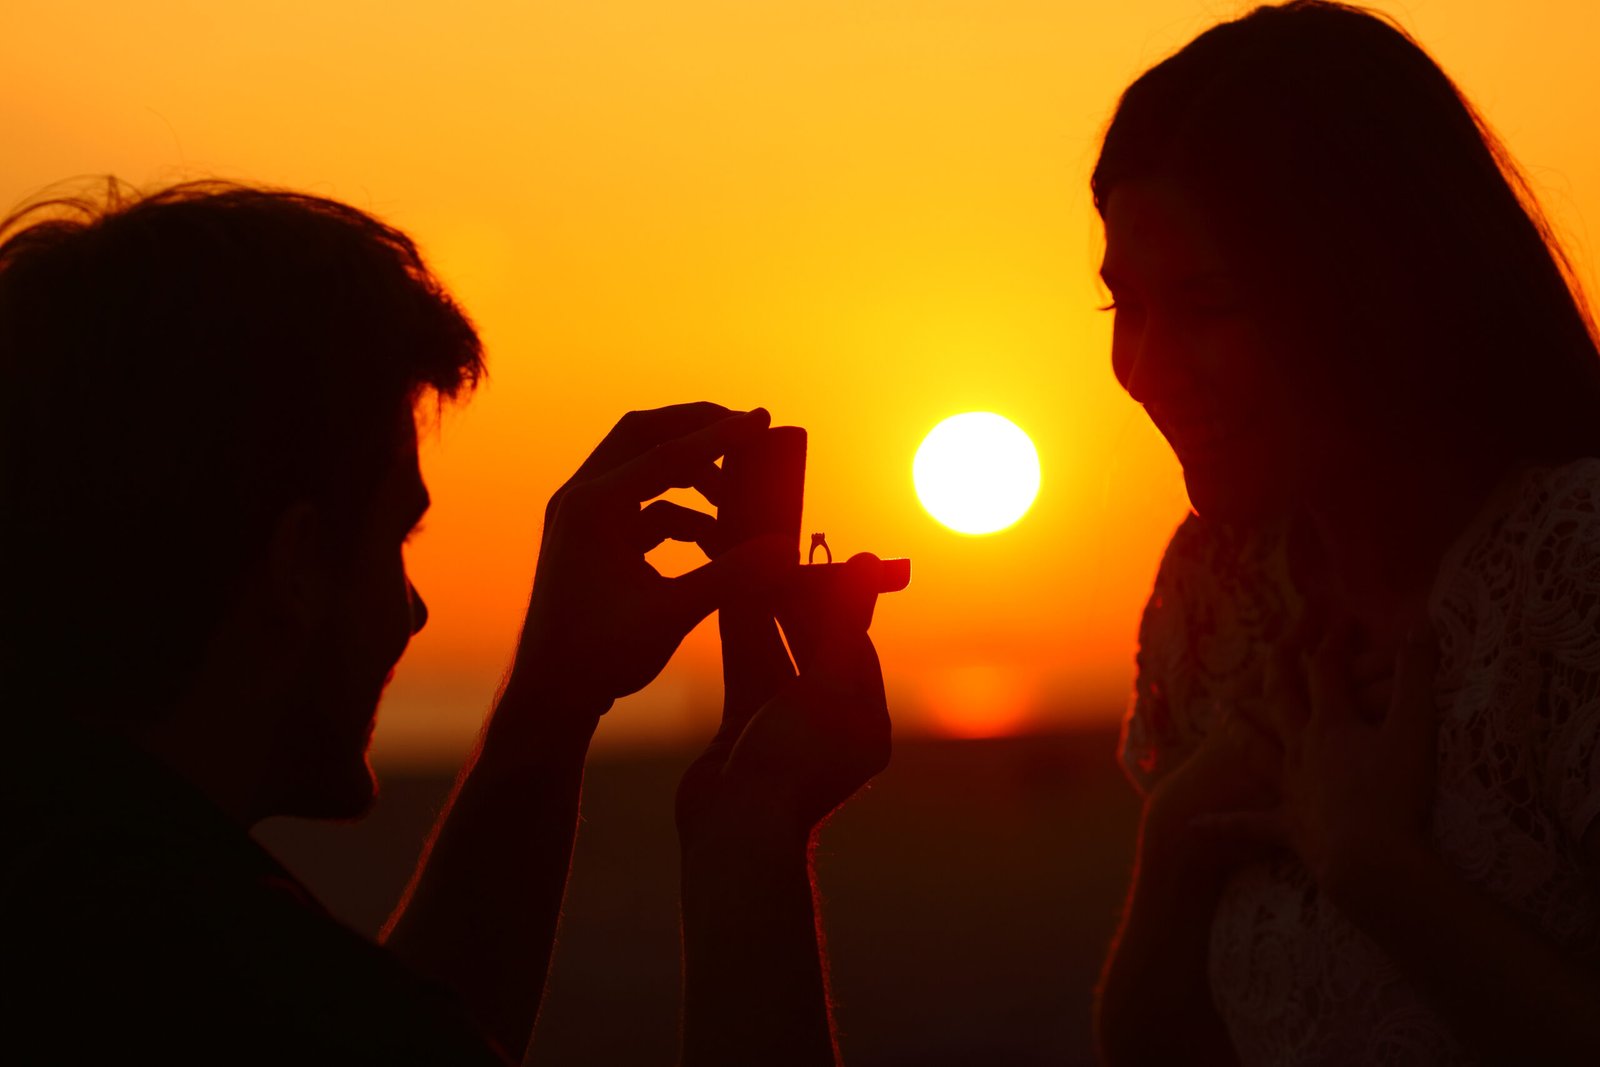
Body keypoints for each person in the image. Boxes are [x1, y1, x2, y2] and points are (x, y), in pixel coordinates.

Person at [0, 180, 890, 1065]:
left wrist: (553, 701)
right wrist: (752, 835)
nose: (416, 608)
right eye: (396, 538)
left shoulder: (74, 892)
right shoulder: (210, 987)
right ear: (298, 564)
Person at [1090, 3, 1600, 1064]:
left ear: (1368, 284)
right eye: (1124, 305)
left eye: (1208, 303)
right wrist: (1171, 835)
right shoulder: (1214, 595)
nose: (1145, 365)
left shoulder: (1572, 571)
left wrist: (1377, 869)